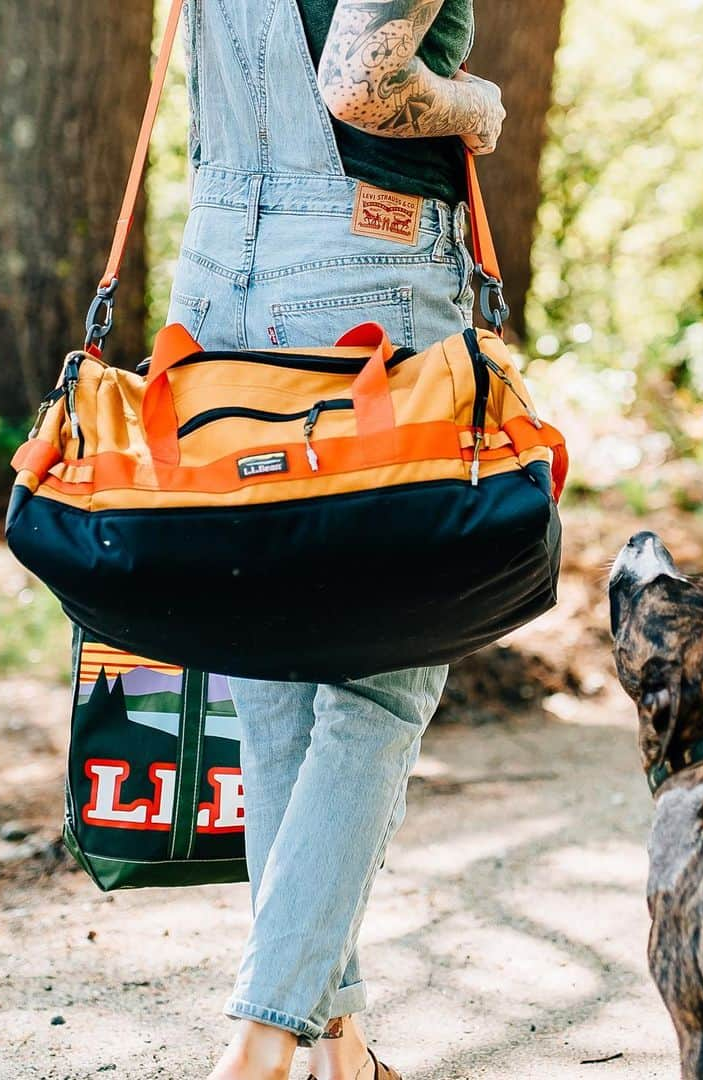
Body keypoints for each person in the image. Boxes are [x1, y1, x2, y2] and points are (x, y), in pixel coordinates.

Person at [163, 3, 505, 1079]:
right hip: (365, 281)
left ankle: (339, 1049)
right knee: (377, 687)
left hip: (218, 282)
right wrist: (478, 109)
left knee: (272, 672)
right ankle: (260, 1047)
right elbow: (361, 83)